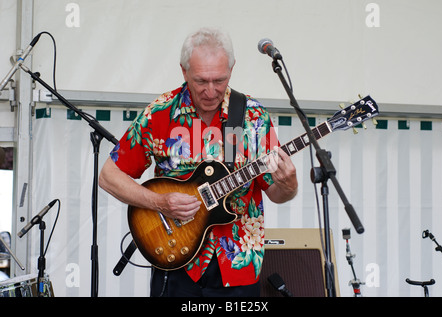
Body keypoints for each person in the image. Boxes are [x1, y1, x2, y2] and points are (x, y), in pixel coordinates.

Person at [99, 27, 298, 297]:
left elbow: (275, 191)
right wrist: (159, 202)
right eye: (201, 81)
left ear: (232, 69)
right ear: (183, 71)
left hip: (238, 267)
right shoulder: (160, 114)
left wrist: (289, 184)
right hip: (175, 260)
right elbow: (109, 176)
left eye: (220, 80)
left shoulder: (253, 117)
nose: (211, 91)